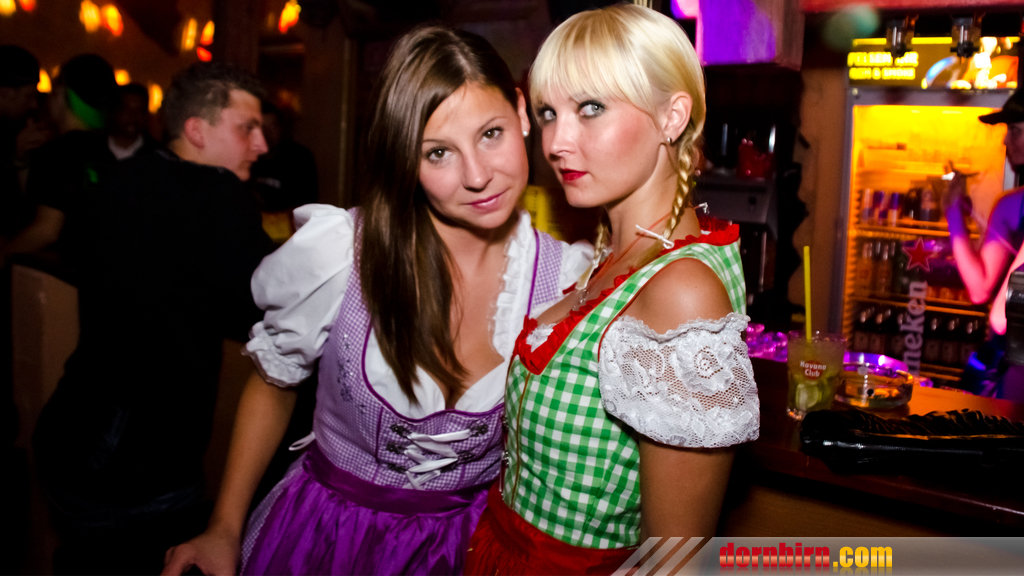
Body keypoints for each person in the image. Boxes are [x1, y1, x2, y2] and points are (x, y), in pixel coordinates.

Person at [162, 25, 591, 576]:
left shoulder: (568, 280)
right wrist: (224, 526)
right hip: (326, 539)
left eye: (491, 133)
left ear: (521, 112)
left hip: (473, 549)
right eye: (439, 152)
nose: (478, 176)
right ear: (405, 159)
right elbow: (274, 383)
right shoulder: (343, 252)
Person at [463, 5, 759, 574]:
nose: (556, 142)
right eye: (548, 113)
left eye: (591, 108)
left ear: (672, 117)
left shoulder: (682, 291)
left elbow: (671, 562)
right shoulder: (624, 252)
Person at [32, 62, 274, 575]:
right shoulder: (218, 195)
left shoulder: (121, 176)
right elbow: (268, 308)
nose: (261, 144)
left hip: (70, 431)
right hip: (138, 464)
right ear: (196, 130)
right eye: (247, 128)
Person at [1, 54, 117, 271]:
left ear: (62, 93)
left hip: (56, 277)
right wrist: (23, 162)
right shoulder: (106, 155)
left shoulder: (58, 151)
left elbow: (47, 230)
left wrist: (4, 253)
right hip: (92, 275)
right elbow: (57, 200)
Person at [946, 87, 1024, 396]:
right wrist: (953, 213)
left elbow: (1000, 317)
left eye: (1016, 131)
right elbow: (979, 289)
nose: (1005, 140)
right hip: (1007, 363)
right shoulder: (1010, 205)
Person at [107, 83, 158, 160]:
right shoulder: (93, 150)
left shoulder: (155, 155)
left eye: (139, 111)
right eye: (126, 110)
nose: (132, 116)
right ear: (115, 111)